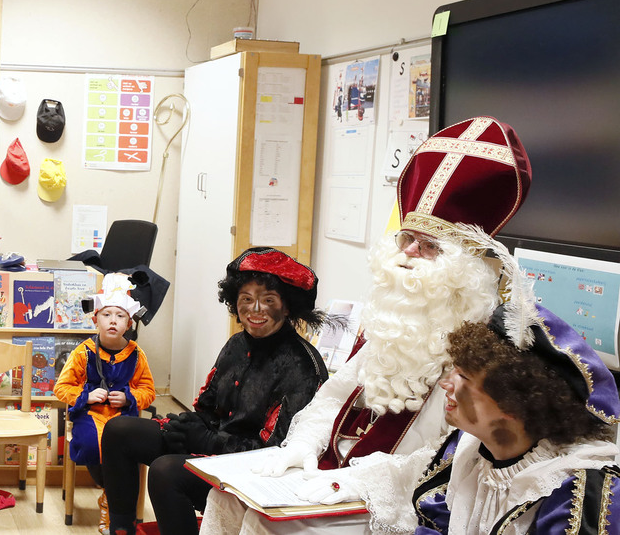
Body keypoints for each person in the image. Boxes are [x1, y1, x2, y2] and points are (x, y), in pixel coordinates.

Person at [201, 117, 533, 534]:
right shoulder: (396, 321)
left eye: (427, 246)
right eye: (405, 238)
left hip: (405, 496)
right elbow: (332, 396)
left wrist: (360, 479)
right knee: (227, 498)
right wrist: (303, 445)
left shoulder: (483, 346)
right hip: (338, 471)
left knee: (276, 527)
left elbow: (454, 457)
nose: (407, 254)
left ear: (463, 268)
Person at [102, 247, 328, 535]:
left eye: (268, 300)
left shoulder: (301, 366)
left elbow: (277, 451)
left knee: (166, 472)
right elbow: (207, 409)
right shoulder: (236, 344)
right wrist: (190, 426)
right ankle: (122, 529)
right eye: (246, 299)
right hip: (214, 448)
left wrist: (208, 441)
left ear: (287, 307)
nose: (254, 310)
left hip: (256, 472)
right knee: (118, 430)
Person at [412, 305, 620, 533]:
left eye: (463, 376)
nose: (446, 383)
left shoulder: (574, 491)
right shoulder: (467, 451)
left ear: (512, 403)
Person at [54, 272, 157, 534]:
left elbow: (149, 391)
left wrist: (129, 398)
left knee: (126, 450)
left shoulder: (136, 355)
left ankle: (113, 506)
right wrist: (85, 397)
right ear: (95, 318)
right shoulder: (83, 352)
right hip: (90, 415)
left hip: (123, 419)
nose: (113, 321)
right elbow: (61, 388)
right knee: (91, 445)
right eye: (107, 314)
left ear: (129, 323)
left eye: (120, 316)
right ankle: (110, 494)